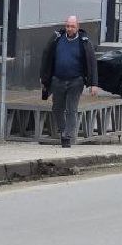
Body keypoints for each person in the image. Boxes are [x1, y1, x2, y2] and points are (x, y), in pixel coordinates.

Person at [39, 15, 98, 148]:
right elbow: (46, 56)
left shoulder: (84, 42)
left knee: (71, 109)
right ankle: (63, 129)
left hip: (76, 81)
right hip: (57, 80)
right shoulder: (56, 39)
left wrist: (94, 84)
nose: (69, 29)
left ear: (78, 27)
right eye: (67, 26)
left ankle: (67, 136)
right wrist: (44, 78)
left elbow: (92, 63)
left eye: (72, 26)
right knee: (57, 108)